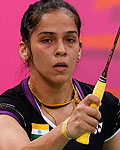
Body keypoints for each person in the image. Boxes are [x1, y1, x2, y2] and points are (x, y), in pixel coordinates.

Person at [0, 0, 120, 149]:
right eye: (47, 40)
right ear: (25, 49)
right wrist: (66, 130)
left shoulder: (106, 105)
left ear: (79, 50)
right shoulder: (9, 109)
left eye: (70, 40)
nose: (61, 50)